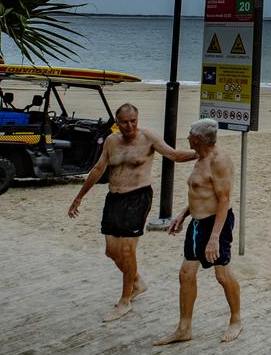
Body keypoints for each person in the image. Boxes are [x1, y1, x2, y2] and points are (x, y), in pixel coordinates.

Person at [67, 103, 196, 322]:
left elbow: (173, 155)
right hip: (114, 198)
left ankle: (125, 300)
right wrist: (79, 196)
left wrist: (201, 152)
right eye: (125, 122)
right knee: (111, 251)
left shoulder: (148, 138)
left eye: (133, 120)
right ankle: (136, 281)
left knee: (127, 251)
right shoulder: (111, 141)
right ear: (117, 123)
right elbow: (98, 169)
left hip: (138, 197)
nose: (130, 126)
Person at [154, 118, 243, 345]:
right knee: (186, 273)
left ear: (200, 139)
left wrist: (214, 238)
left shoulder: (219, 161)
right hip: (196, 224)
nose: (187, 137)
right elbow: (199, 193)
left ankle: (236, 319)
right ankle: (184, 328)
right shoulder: (198, 157)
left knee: (222, 275)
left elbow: (223, 201)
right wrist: (182, 216)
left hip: (217, 224)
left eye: (191, 134)